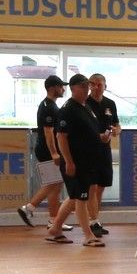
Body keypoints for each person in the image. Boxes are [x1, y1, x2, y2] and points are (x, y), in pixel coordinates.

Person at [46, 74, 106, 247]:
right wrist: (69, 162)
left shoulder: (85, 107)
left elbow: (86, 132)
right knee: (81, 198)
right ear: (72, 88)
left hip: (88, 160)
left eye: (87, 86)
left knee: (74, 196)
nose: (87, 89)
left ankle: (55, 228)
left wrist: (99, 137)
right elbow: (61, 137)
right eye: (83, 86)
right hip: (76, 162)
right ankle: (88, 235)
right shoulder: (68, 110)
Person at [18, 75, 67, 230]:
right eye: (60, 86)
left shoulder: (52, 105)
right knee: (53, 183)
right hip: (47, 151)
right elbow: (48, 132)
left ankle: (53, 220)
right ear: (52, 88)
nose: (63, 89)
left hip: (49, 150)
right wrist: (54, 153)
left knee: (56, 185)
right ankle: (28, 208)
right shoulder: (48, 107)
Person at [85, 73, 120, 238]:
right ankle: (93, 221)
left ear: (105, 86)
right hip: (89, 150)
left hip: (105, 150)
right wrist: (96, 136)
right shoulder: (84, 103)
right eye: (93, 84)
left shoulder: (110, 104)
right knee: (91, 187)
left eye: (99, 84)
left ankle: (96, 220)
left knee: (101, 186)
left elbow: (116, 124)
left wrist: (117, 130)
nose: (96, 87)